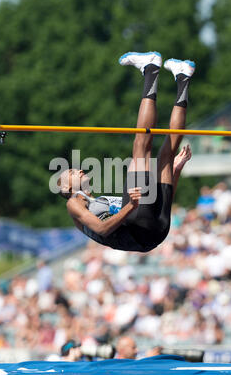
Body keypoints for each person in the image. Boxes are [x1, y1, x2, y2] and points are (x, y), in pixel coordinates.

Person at [57, 51, 194, 252]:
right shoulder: (73, 204)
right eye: (71, 173)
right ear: (65, 189)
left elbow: (155, 204)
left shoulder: (99, 200)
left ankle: (183, 77)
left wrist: (176, 171)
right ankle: (151, 69)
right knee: (141, 146)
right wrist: (131, 206)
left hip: (156, 230)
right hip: (141, 228)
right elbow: (103, 229)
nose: (78, 170)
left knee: (167, 155)